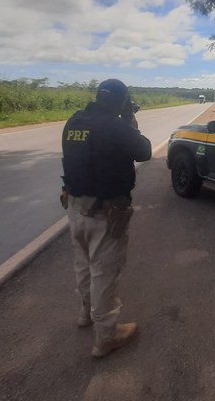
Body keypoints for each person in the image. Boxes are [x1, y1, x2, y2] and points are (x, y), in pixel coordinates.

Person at [60, 78, 152, 358]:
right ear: (122, 102)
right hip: (105, 214)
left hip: (75, 209)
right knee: (104, 273)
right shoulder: (115, 127)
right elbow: (144, 151)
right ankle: (107, 336)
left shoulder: (75, 122)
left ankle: (85, 314)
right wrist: (129, 121)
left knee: (83, 267)